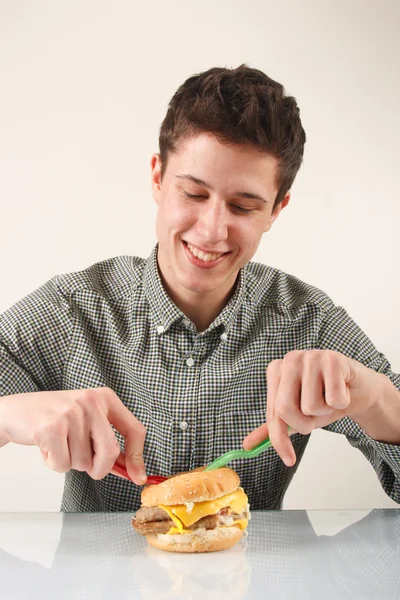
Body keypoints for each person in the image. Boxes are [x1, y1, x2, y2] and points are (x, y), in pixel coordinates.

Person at [0, 65, 399, 512]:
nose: (212, 231)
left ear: (275, 210)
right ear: (157, 178)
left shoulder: (308, 322)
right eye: (193, 194)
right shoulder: (73, 309)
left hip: (256, 579)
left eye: (243, 206)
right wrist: (8, 416)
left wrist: (377, 398)